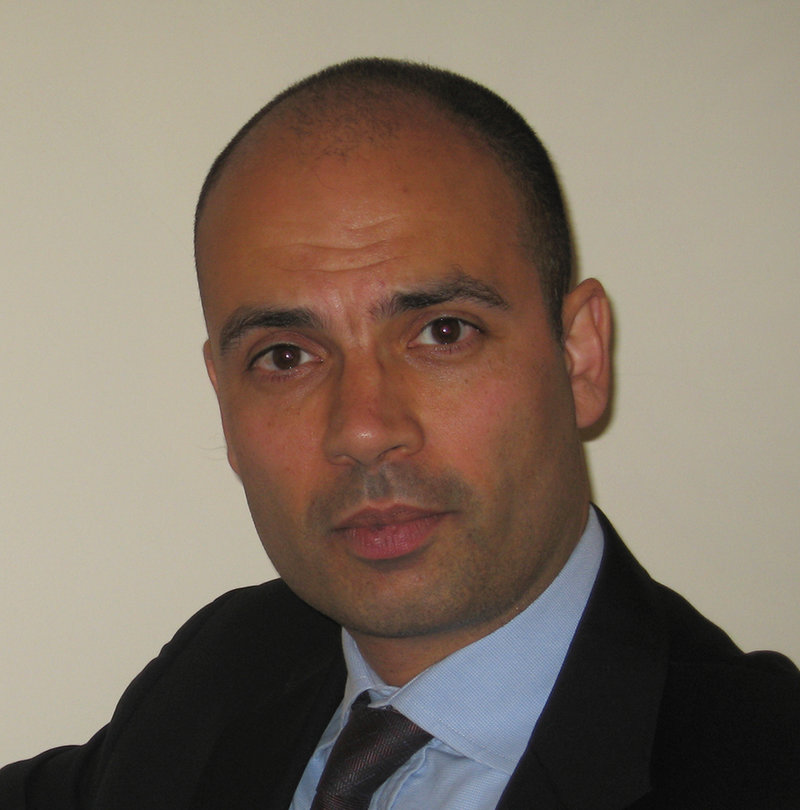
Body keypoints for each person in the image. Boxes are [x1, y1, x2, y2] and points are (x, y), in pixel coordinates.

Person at [1, 57, 798, 810]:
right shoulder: (227, 669)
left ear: (579, 356)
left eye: (444, 333)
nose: (363, 429)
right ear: (224, 403)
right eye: (285, 357)